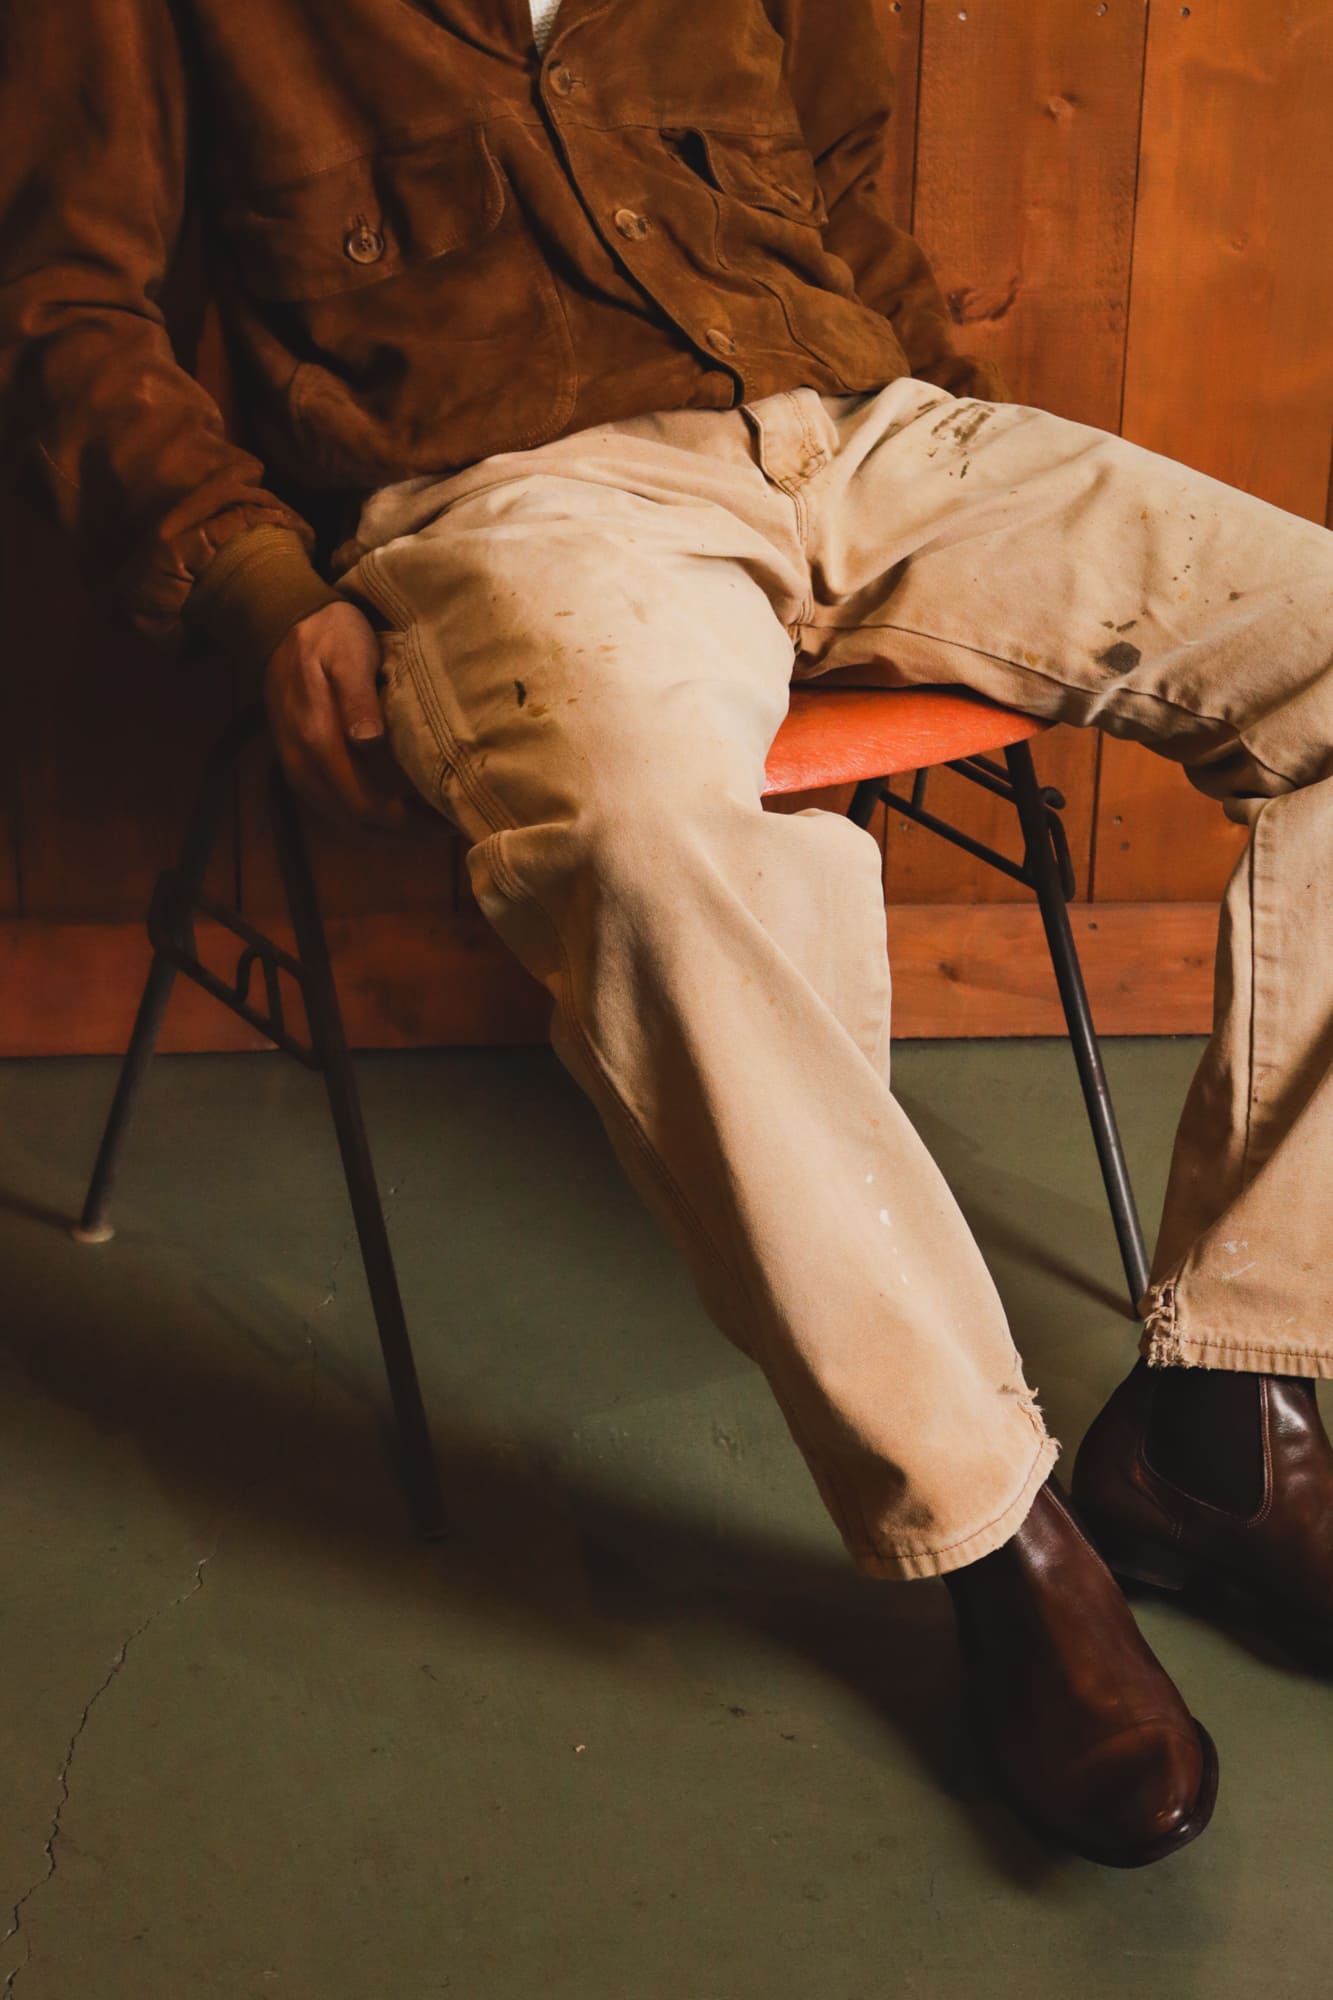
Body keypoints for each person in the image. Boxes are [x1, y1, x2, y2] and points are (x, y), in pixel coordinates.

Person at [2, 0, 1329, 1870]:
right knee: (646, 840)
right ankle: (995, 1533)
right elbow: (63, 305)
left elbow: (838, 185)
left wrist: (950, 421)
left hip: (865, 431)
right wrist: (255, 580)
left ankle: (1224, 1421)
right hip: (513, 499)